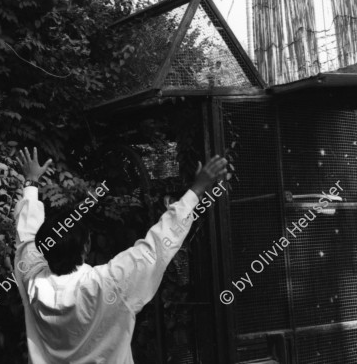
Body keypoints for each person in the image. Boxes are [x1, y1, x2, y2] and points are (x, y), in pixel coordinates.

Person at [14, 147, 228, 364]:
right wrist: (198, 189)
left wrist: (31, 182)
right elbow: (158, 246)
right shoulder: (110, 284)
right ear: (86, 246)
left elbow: (26, 237)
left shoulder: (31, 279)